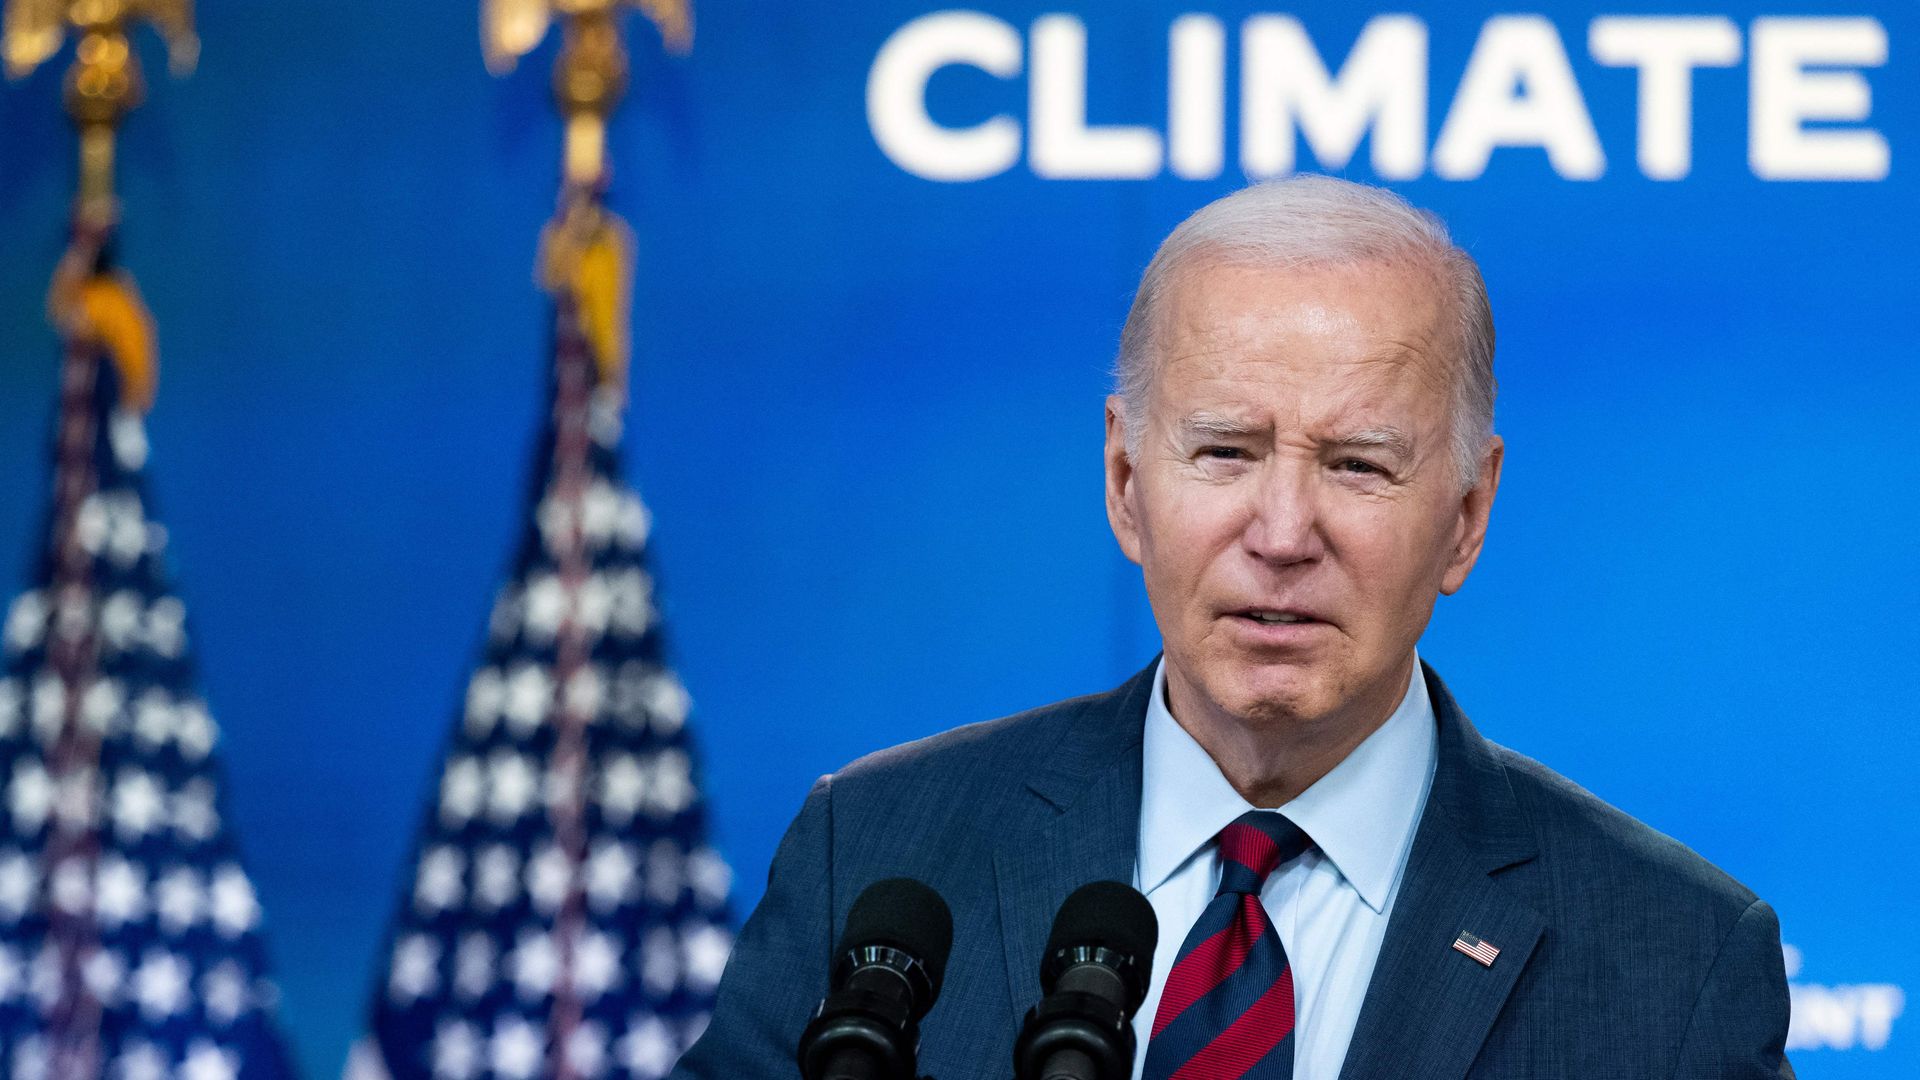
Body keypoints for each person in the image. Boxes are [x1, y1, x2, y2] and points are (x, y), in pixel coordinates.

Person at [671, 176, 1793, 1079]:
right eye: (1225, 452)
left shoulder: (1673, 963)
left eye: (1358, 465)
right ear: (1122, 481)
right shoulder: (874, 855)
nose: (1284, 532)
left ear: (1465, 518)